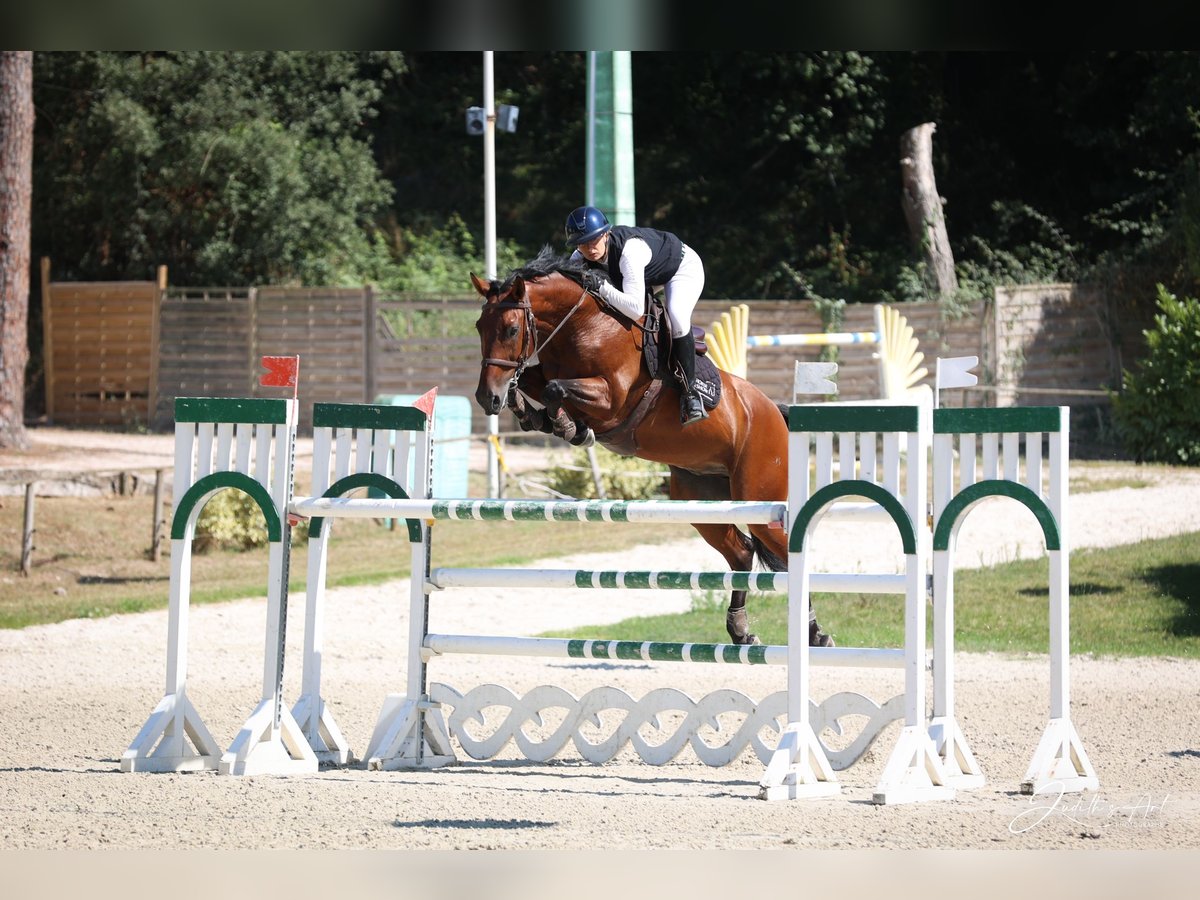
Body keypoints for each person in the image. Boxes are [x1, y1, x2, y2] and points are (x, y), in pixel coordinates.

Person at [564, 205, 709, 426]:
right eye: (582, 243)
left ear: (605, 233)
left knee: (677, 316)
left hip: (680, 268)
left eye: (594, 240)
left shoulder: (629, 251)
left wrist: (602, 287)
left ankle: (690, 395)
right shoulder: (578, 258)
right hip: (647, 274)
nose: (589, 248)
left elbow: (634, 309)